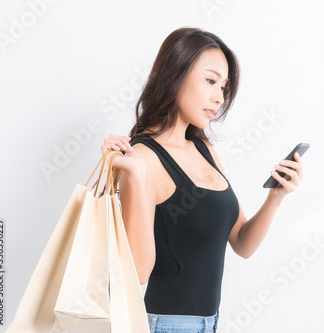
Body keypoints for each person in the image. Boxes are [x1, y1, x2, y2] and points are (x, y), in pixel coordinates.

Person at [100, 27, 304, 333]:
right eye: (210, 81)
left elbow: (242, 243)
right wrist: (135, 173)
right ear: (175, 75)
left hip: (210, 323)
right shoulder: (143, 157)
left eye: (223, 86)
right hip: (164, 326)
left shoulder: (204, 149)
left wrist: (276, 196)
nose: (219, 97)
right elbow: (138, 273)